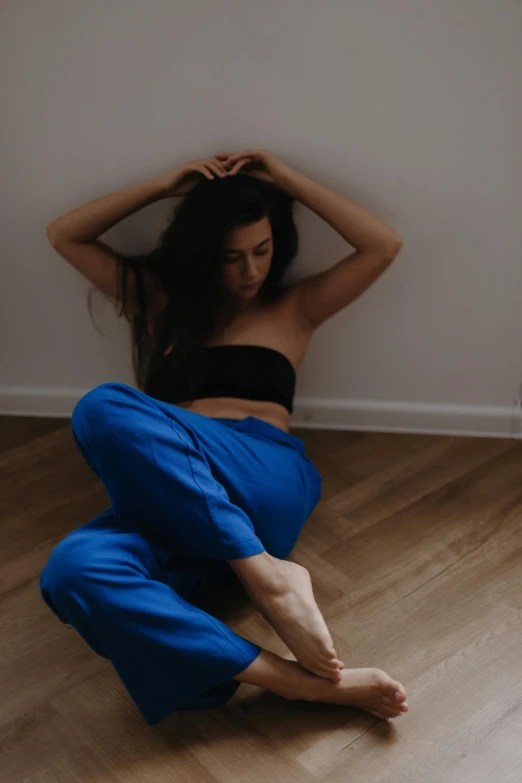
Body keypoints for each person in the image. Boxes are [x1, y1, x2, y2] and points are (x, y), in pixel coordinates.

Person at [40, 149, 408, 725]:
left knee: (102, 405)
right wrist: (165, 184)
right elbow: (65, 235)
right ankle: (292, 680)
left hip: (260, 471)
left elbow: (383, 245)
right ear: (204, 254)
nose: (250, 271)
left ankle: (266, 576)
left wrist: (281, 177)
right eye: (231, 256)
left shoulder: (295, 308)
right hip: (174, 501)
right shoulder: (160, 303)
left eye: (262, 251)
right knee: (71, 570)